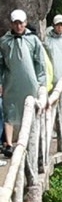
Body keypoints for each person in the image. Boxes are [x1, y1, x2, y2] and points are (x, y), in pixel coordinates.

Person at [0, 9, 47, 157]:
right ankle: (8, 144)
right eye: (16, 23)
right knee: (10, 112)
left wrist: (41, 83)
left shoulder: (33, 40)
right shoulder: (4, 42)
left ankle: (30, 143)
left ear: (26, 23)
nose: (19, 26)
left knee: (30, 112)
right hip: (11, 83)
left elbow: (40, 63)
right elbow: (1, 64)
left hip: (30, 83)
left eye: (21, 23)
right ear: (12, 24)